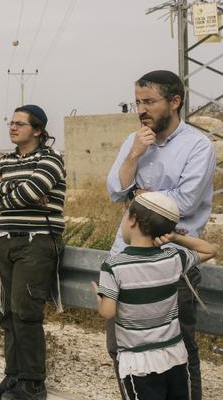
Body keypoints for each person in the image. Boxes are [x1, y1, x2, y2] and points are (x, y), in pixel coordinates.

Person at [106, 70, 215, 400]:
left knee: (180, 352)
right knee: (121, 348)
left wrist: (136, 194)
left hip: (172, 258)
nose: (141, 109)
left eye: (149, 102)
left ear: (175, 101)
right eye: (137, 102)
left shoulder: (198, 146)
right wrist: (135, 155)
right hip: (126, 258)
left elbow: (181, 203)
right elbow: (114, 190)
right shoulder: (134, 140)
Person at [0, 105, 66, 400]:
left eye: (20, 124)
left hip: (37, 242)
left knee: (26, 312)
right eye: (11, 123)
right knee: (6, 312)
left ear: (37, 130)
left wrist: (4, 188)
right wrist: (16, 188)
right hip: (4, 241)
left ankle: (33, 382)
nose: (12, 128)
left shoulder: (50, 160)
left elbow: (28, 193)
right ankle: (13, 376)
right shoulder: (4, 159)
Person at [94, 192, 217, 400]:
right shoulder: (173, 258)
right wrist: (176, 238)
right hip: (175, 357)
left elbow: (108, 312)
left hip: (138, 364)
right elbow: (210, 250)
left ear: (132, 220)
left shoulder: (114, 266)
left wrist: (99, 297)